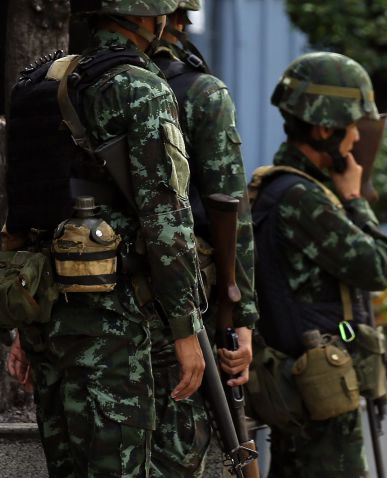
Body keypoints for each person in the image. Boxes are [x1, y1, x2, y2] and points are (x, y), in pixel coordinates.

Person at [3, 1, 205, 476]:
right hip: (109, 321)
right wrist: (185, 329)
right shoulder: (141, 86)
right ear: (147, 16)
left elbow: (20, 211)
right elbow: (166, 220)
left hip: (44, 314)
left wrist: (21, 327)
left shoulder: (37, 82)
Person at [253, 52, 387, 478]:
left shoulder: (286, 186)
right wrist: (355, 199)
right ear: (322, 129)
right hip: (317, 394)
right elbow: (378, 266)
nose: (356, 138)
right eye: (351, 125)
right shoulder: (302, 198)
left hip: (314, 388)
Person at [147, 1, 258, 475]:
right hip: (183, 312)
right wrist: (243, 314)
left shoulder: (69, 82)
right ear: (175, 18)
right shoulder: (197, 91)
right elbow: (230, 209)